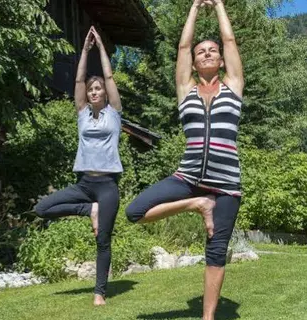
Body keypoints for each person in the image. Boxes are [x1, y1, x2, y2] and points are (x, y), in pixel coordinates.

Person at [125, 0, 244, 319]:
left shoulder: (233, 87)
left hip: (226, 187)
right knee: (135, 211)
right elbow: (182, 45)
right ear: (192, 63)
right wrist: (194, 6)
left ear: (221, 60)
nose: (206, 52)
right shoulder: (185, 89)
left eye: (213, 50)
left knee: (216, 251)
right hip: (187, 179)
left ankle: (207, 318)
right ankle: (197, 205)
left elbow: (230, 40)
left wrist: (218, 5)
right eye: (201, 51)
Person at [34, 25, 123, 306]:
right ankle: (89, 210)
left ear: (106, 94)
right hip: (84, 185)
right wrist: (84, 51)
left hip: (108, 185)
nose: (95, 91)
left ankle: (99, 292)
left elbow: (108, 75)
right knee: (41, 208)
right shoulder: (83, 114)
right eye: (92, 90)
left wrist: (101, 51)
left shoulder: (115, 114)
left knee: (103, 241)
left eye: (99, 89)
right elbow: (78, 81)